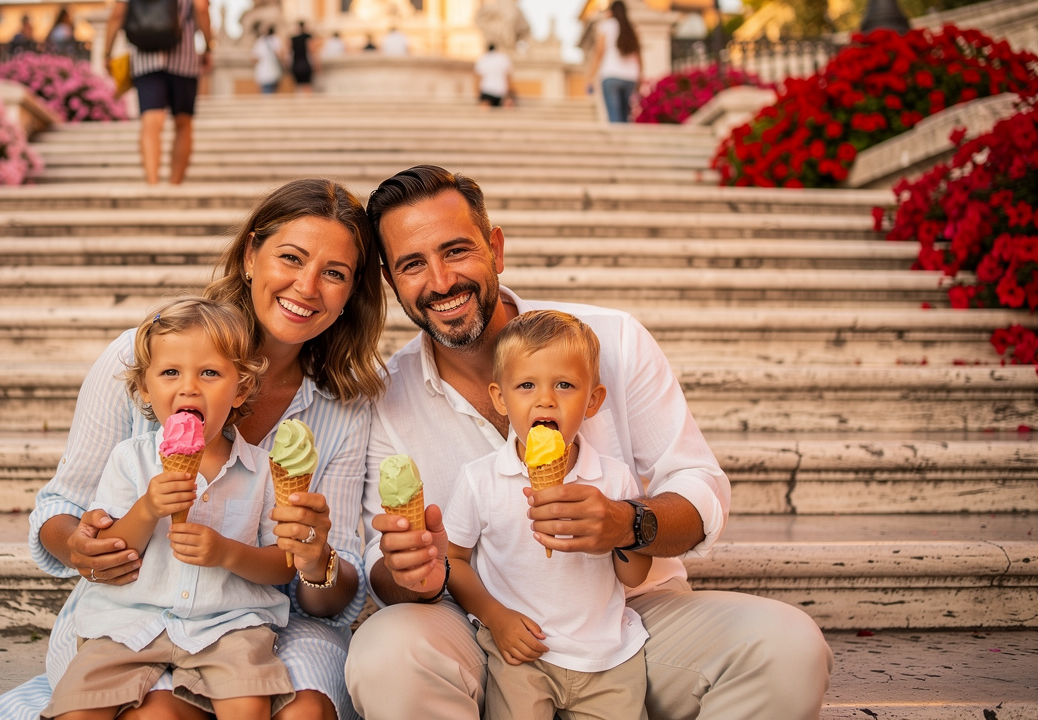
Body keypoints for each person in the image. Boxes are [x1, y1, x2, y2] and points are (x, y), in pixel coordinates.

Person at [345, 165, 833, 720]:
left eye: (456, 251)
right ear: (390, 281)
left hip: (631, 622)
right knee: (386, 652)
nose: (440, 281)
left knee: (788, 646)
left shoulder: (613, 340)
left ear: (496, 249)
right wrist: (409, 571)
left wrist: (629, 524)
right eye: (412, 264)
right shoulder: (384, 395)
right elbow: (378, 560)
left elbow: (699, 486)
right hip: (480, 629)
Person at [0, 178, 389, 720]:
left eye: (334, 273)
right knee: (159, 713)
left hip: (265, 621)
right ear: (250, 255)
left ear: (352, 293)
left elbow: (328, 596)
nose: (307, 286)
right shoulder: (146, 357)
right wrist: (80, 547)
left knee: (303, 713)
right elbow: (62, 508)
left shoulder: (344, 403)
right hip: (132, 615)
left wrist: (315, 559)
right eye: (290, 258)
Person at [43, 296, 295, 719]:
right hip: (126, 623)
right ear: (145, 387)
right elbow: (110, 549)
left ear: (241, 389)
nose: (189, 387)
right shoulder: (130, 459)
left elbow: (283, 566)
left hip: (227, 625)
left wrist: (228, 553)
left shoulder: (264, 471)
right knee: (78, 708)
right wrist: (146, 509)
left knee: (250, 705)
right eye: (170, 372)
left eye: (210, 373)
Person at [445, 309, 653, 720]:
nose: (545, 399)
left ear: (593, 400)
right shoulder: (480, 480)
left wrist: (618, 529)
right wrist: (495, 617)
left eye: (564, 384)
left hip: (607, 657)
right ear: (500, 398)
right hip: (520, 655)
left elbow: (634, 576)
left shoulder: (613, 479)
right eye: (526, 385)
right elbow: (453, 559)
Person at [102, 0, 213, 184]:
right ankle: (174, 185)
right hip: (184, 59)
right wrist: (208, 46)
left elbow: (117, 14)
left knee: (150, 121)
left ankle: (153, 185)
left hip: (145, 59)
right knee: (183, 122)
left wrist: (107, 53)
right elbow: (201, 8)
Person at [587, 0, 641, 123]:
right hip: (631, 77)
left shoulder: (605, 26)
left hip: (610, 75)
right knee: (626, 117)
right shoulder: (632, 28)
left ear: (610, 12)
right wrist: (640, 75)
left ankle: (618, 136)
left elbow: (599, 52)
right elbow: (639, 55)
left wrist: (591, 75)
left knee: (614, 118)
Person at [473, 43, 512, 108]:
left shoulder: (482, 59)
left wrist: (477, 92)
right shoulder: (503, 59)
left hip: (486, 90)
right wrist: (508, 93)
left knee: (484, 109)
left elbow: (478, 77)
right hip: (501, 91)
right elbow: (508, 77)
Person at [252, 25, 285, 94]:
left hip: (264, 74)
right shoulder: (276, 40)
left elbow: (254, 58)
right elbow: (280, 55)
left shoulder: (260, 41)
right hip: (274, 72)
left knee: (267, 94)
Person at [290, 21, 316, 94]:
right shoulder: (307, 37)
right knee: (307, 86)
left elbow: (288, 53)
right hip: (305, 63)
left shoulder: (293, 38)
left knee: (298, 87)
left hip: (296, 64)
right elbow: (311, 51)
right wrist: (316, 64)